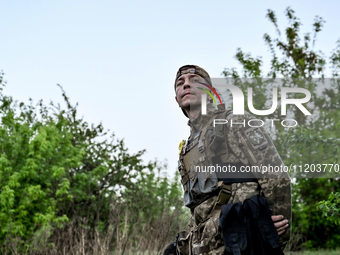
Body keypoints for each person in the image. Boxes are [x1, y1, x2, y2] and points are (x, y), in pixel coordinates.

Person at [168, 65, 291, 255]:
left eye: (195, 81)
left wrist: (274, 235)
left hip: (242, 243)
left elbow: (275, 174)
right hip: (209, 245)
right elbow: (198, 206)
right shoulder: (187, 148)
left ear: (210, 93)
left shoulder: (234, 122)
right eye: (180, 83)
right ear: (176, 98)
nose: (186, 85)